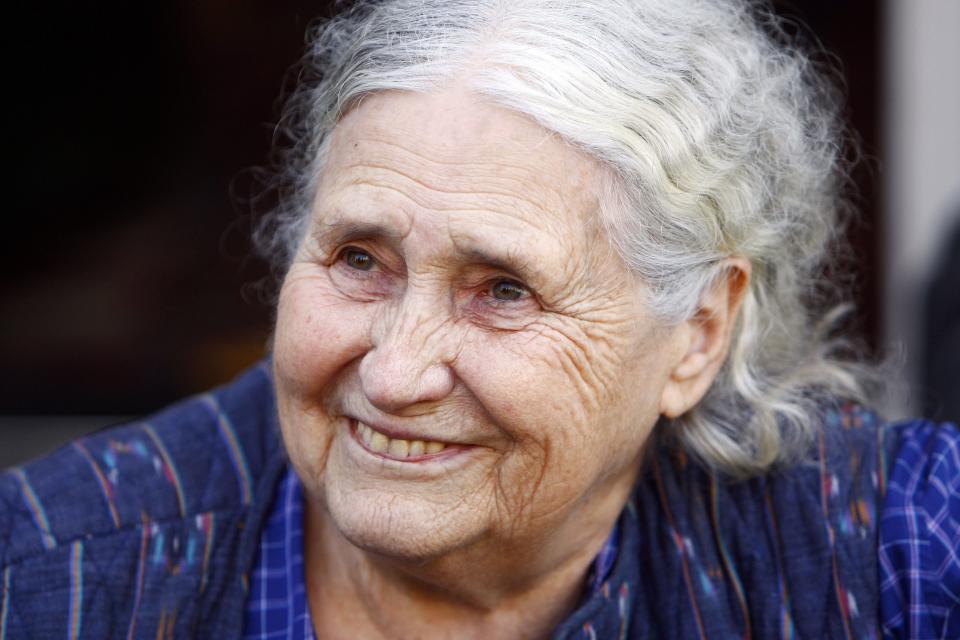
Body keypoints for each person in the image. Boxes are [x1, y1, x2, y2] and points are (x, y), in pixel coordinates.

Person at [1, 0, 957, 638]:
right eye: (360, 261)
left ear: (698, 335)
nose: (393, 374)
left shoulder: (889, 557)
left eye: (504, 289)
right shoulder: (55, 578)